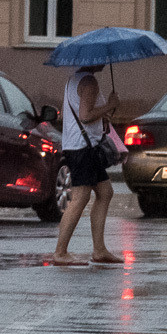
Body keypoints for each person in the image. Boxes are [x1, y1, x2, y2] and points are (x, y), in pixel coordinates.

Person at [54, 64, 124, 266]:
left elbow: (84, 113)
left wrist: (103, 113)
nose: (104, 62)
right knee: (80, 197)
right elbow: (85, 116)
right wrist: (110, 105)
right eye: (101, 59)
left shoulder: (74, 79)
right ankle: (60, 252)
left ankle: (100, 250)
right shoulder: (89, 82)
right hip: (83, 148)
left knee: (105, 192)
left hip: (81, 146)